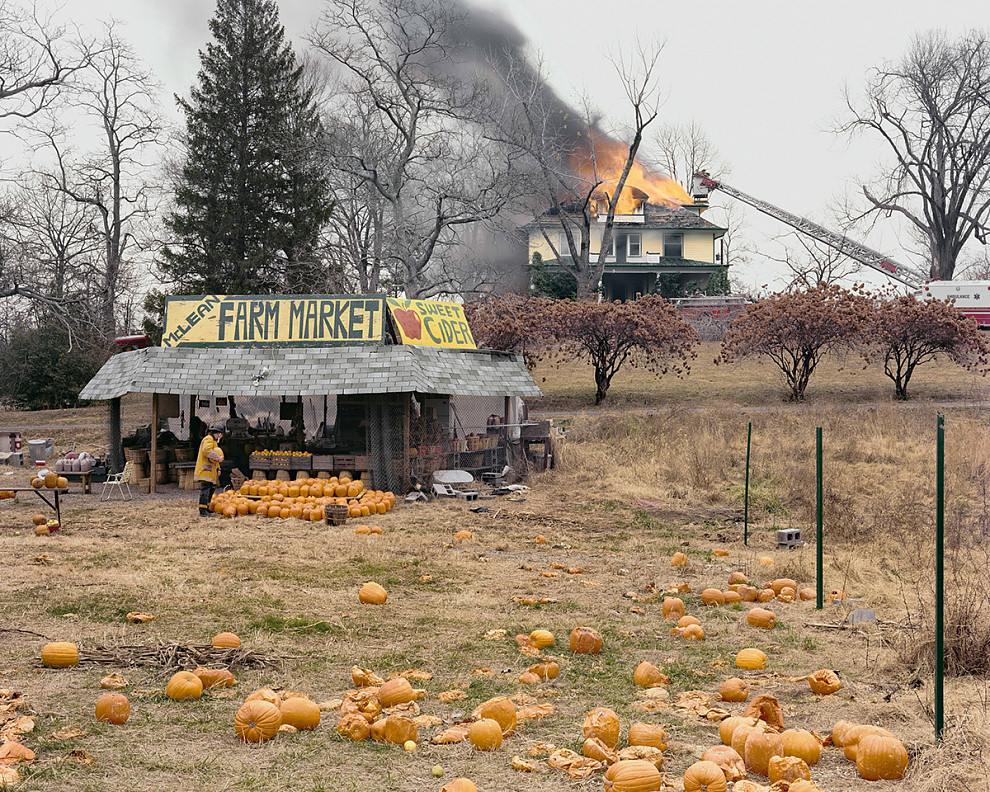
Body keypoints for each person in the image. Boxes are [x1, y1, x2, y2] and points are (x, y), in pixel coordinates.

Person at [195, 422, 225, 517]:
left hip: (211, 471)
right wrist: (217, 458)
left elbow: (215, 456)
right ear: (218, 433)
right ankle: (202, 510)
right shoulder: (208, 439)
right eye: (221, 434)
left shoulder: (214, 441)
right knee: (205, 490)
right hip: (205, 470)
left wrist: (218, 468)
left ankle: (207, 508)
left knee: (210, 489)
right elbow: (207, 451)